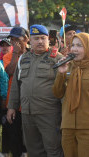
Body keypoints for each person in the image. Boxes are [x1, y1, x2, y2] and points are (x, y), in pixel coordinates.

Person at [7, 24, 64, 157]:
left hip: (50, 114)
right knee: (33, 150)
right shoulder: (23, 58)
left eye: (43, 38)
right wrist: (11, 107)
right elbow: (16, 85)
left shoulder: (58, 58)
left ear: (48, 39)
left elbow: (64, 87)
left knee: (53, 149)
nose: (40, 41)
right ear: (30, 41)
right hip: (27, 113)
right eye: (36, 38)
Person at [3, 26, 29, 157]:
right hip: (13, 103)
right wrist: (15, 54)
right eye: (12, 40)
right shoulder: (8, 56)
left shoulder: (32, 55)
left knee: (29, 139)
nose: (15, 43)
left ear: (26, 39)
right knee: (15, 137)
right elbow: (10, 71)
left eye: (17, 39)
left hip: (29, 104)